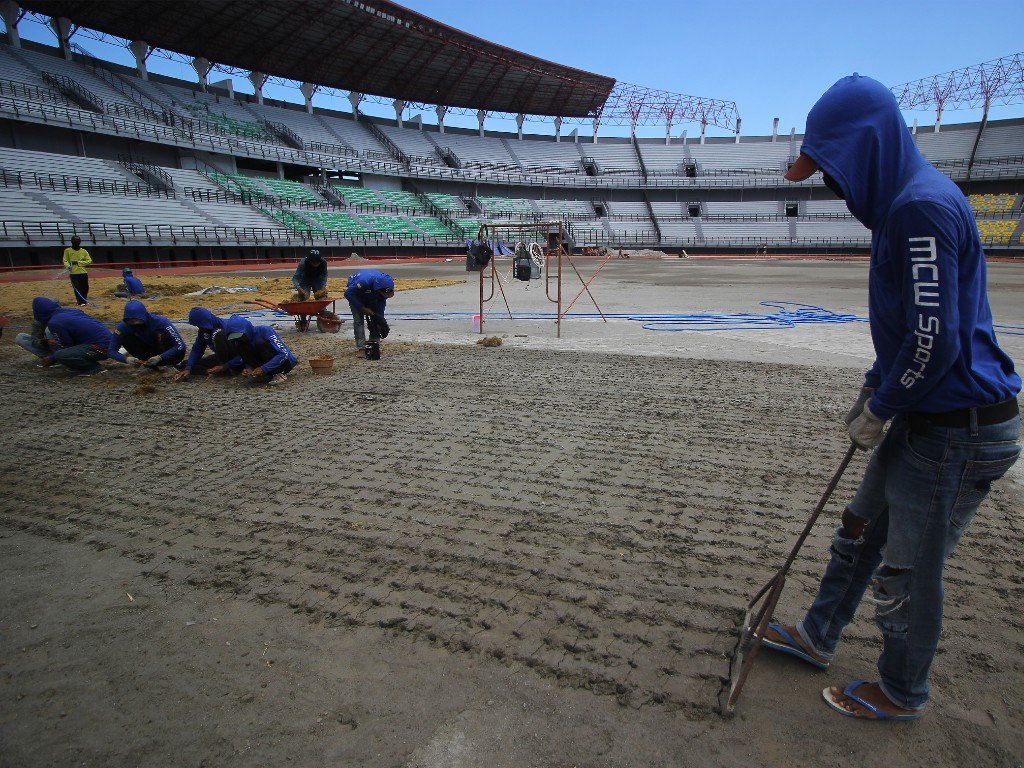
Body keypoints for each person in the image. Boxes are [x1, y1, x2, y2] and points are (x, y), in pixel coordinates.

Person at [762, 74, 1021, 721]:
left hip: (958, 427)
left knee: (906, 568)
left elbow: (935, 341)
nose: (833, 188)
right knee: (857, 528)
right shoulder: (907, 204)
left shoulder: (918, 209)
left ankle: (902, 691)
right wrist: (874, 387)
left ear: (864, 151)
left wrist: (883, 405)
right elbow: (913, 331)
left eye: (831, 172)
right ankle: (819, 634)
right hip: (923, 410)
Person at [15, 297, 112, 375]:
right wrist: (44, 342)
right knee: (21, 337)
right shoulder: (70, 311)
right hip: (106, 342)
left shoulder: (55, 322)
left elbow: (66, 346)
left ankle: (93, 368)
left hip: (99, 347)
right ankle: (65, 360)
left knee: (61, 354)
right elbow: (35, 337)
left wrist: (53, 358)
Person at [106, 299, 187, 370]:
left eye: (139, 323)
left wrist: (160, 357)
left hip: (170, 356)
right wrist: (126, 359)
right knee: (126, 338)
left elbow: (180, 345)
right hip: (148, 358)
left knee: (163, 335)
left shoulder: (161, 322)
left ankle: (169, 365)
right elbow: (111, 350)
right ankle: (148, 365)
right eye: (132, 324)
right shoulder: (123, 327)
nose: (136, 326)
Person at [223, 314, 297, 385]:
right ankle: (265, 375)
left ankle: (278, 374)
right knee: (240, 346)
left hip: (285, 363)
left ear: (246, 330)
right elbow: (245, 357)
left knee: (260, 343)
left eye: (240, 336)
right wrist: (249, 368)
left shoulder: (264, 330)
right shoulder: (240, 342)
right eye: (236, 337)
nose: (239, 339)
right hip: (265, 365)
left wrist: (263, 368)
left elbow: (283, 354)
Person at [174, 307, 235, 381]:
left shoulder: (225, 326)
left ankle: (224, 371)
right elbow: (197, 349)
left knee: (218, 335)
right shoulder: (204, 330)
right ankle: (210, 371)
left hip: (235, 359)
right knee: (185, 364)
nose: (200, 328)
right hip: (219, 359)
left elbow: (242, 353)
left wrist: (224, 366)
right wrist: (188, 368)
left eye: (200, 326)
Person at [344, 269, 394, 356]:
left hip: (372, 297)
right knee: (358, 320)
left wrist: (379, 319)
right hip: (356, 296)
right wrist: (362, 308)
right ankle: (361, 348)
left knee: (376, 319)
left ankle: (374, 346)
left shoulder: (384, 290)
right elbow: (348, 293)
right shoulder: (363, 281)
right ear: (377, 287)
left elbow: (381, 304)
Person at [62, 236, 92, 306]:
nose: (77, 243)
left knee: (85, 287)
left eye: (78, 241)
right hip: (73, 273)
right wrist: (68, 266)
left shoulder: (84, 251)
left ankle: (84, 299)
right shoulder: (67, 251)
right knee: (77, 287)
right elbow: (65, 260)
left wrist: (79, 262)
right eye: (75, 241)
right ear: (72, 242)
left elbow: (89, 261)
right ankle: (80, 302)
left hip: (83, 272)